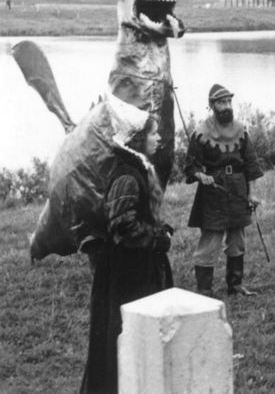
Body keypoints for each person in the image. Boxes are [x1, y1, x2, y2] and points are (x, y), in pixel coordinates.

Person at [80, 109, 173, 394]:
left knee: (136, 336)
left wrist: (159, 229)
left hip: (133, 270)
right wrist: (158, 238)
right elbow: (122, 226)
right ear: (137, 139)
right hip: (127, 276)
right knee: (126, 335)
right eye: (153, 133)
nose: (158, 138)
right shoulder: (127, 176)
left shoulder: (136, 170)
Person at [185, 84, 264, 297]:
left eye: (229, 101)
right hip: (213, 191)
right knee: (210, 241)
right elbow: (190, 166)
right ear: (212, 105)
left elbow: (251, 164)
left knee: (237, 239)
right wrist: (201, 176)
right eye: (221, 102)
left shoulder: (241, 130)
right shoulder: (201, 133)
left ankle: (235, 286)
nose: (227, 106)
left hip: (238, 187)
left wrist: (252, 193)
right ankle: (204, 290)